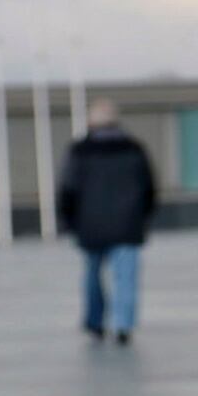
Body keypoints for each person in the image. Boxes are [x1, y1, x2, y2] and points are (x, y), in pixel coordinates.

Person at [61, 101, 159, 343]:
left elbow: (68, 188)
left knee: (93, 275)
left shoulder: (80, 151)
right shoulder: (134, 148)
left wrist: (69, 220)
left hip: (90, 223)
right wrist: (144, 216)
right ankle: (123, 325)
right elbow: (149, 187)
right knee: (125, 276)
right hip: (127, 223)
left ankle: (95, 322)